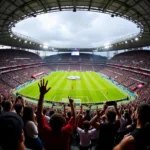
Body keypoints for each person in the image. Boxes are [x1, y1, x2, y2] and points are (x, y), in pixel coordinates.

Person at [37, 79, 76, 150]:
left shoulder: (45, 131)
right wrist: (71, 104)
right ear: (63, 124)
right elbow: (73, 117)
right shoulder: (66, 131)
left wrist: (42, 94)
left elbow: (39, 114)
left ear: (49, 123)